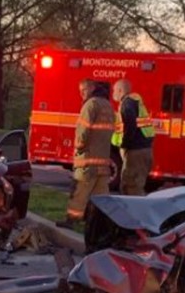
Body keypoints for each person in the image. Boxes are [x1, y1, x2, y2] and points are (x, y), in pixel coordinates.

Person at [58, 79, 115, 229]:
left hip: (87, 161)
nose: (81, 94)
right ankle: (101, 225)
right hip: (103, 162)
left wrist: (79, 147)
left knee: (79, 193)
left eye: (83, 90)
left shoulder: (91, 105)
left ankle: (72, 220)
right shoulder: (108, 106)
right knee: (101, 197)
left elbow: (83, 131)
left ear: (92, 89)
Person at [112, 79, 154, 196]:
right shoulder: (135, 102)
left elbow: (129, 126)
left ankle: (136, 213)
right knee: (132, 186)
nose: (113, 93)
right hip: (143, 149)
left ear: (120, 90)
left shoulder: (127, 104)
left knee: (131, 187)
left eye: (114, 90)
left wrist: (125, 144)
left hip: (135, 151)